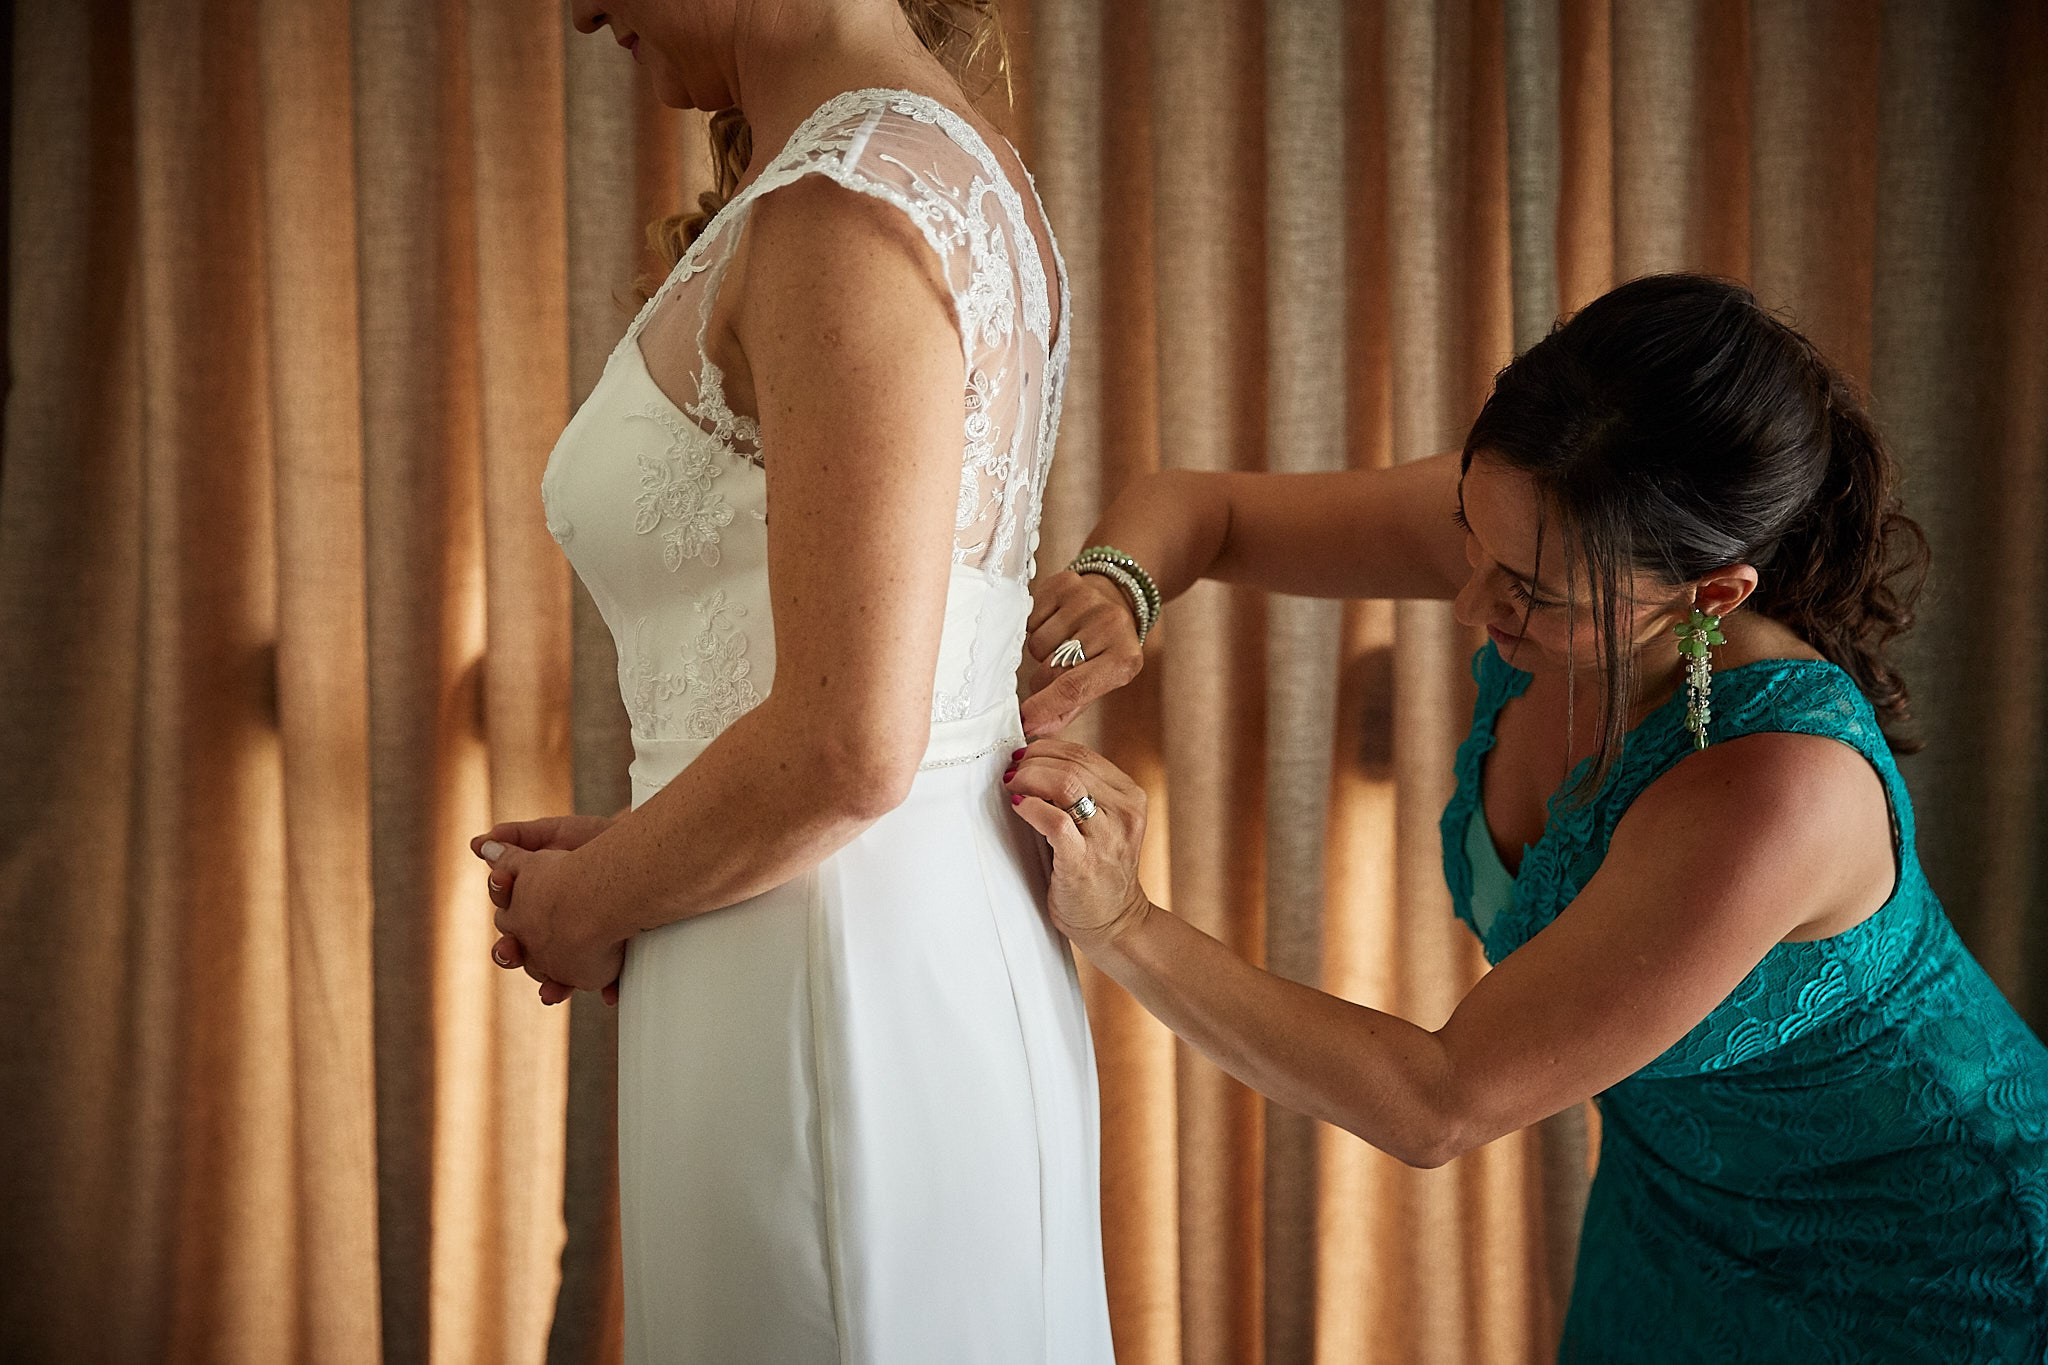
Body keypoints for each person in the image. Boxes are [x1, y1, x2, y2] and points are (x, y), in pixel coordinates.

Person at [1005, 274, 2048, 1361]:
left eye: (1532, 597)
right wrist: (1121, 587)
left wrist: (1124, 924)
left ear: (1710, 598)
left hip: (1929, 1270)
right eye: (1470, 541)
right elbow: (1204, 510)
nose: (1470, 605)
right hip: (1671, 1214)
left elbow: (1438, 1103)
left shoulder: (1774, 791)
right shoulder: (1538, 524)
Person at [463, 2, 1114, 1360]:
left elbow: (848, 746)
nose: (579, 11)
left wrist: (589, 899)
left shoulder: (845, 203)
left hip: (828, 986)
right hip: (863, 943)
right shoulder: (938, 166)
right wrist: (650, 851)